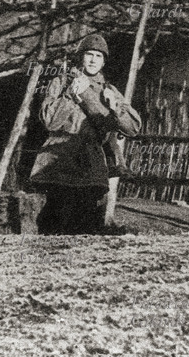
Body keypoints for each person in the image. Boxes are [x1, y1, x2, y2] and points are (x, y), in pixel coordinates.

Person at [30, 34, 142, 235]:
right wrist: (69, 95)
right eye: (88, 54)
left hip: (91, 164)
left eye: (98, 56)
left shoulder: (109, 90)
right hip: (61, 161)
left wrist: (115, 108)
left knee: (86, 223)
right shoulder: (61, 82)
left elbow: (133, 128)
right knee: (54, 221)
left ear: (104, 61)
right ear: (80, 57)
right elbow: (49, 121)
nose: (92, 60)